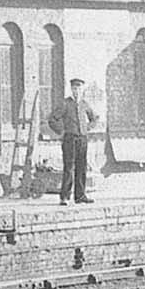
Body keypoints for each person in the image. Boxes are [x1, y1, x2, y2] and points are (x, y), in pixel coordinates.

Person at [47, 77, 99, 205]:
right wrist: (61, 131)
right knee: (69, 168)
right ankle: (64, 197)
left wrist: (87, 128)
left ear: (82, 90)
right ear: (71, 89)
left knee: (82, 167)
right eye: (74, 88)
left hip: (82, 139)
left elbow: (94, 119)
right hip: (69, 139)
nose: (76, 91)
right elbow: (52, 119)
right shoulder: (65, 103)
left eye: (79, 88)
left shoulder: (85, 104)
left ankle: (80, 196)